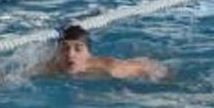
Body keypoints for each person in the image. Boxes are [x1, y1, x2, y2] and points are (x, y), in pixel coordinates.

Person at [40, 25, 168, 80]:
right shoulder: (49, 68)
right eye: (64, 48)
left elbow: (150, 68)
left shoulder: (110, 68)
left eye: (78, 49)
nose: (70, 54)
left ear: (89, 53)